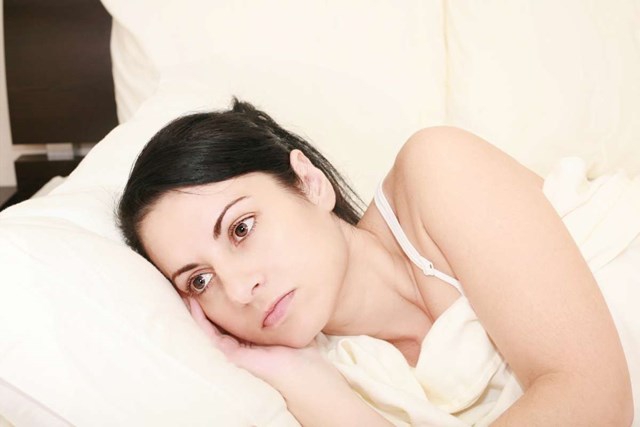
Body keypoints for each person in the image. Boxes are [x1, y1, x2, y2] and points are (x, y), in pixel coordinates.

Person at [117, 98, 634, 426]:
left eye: (241, 229)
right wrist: (291, 374)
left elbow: (596, 402)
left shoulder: (437, 170)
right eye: (199, 280)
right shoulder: (334, 377)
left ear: (309, 183)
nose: (237, 289)